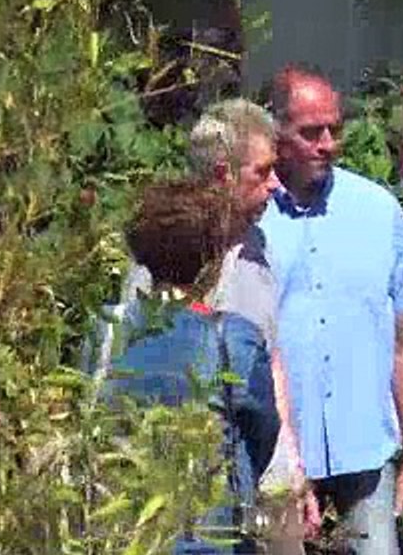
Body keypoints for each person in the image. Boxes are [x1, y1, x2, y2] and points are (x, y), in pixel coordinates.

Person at [116, 99, 313, 551]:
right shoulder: (163, 256)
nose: (275, 185)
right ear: (224, 174)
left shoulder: (260, 246)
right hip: (187, 492)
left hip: (268, 483)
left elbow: (272, 361)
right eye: (263, 172)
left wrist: (291, 466)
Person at [258, 67, 403, 555]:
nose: (328, 144)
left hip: (364, 450)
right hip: (276, 455)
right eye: (310, 132)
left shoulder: (377, 210)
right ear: (276, 134)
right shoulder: (251, 217)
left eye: (334, 129)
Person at [103, 180, 281, 553]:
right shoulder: (232, 338)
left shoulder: (108, 328)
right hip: (211, 533)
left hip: (123, 529)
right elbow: (262, 431)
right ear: (212, 261)